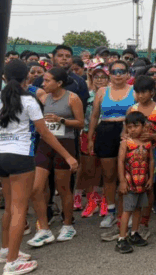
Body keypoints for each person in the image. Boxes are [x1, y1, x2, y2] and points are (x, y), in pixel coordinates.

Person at [0, 60, 78, 275]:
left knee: (11, 206)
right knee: (19, 209)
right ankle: (12, 262)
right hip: (20, 156)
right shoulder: (29, 101)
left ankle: (5, 251)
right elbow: (46, 134)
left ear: (4, 77)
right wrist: (68, 156)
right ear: (27, 78)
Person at [27, 68, 85, 247]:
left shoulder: (72, 98)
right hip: (45, 146)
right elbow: (31, 86)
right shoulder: (45, 97)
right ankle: (43, 229)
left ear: (59, 83)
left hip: (65, 145)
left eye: (47, 81)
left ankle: (68, 224)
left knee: (63, 188)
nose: (43, 84)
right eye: (43, 80)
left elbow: (81, 123)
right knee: (36, 188)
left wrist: (61, 120)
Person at [88, 60, 135, 240]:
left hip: (127, 133)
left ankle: (128, 212)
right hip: (105, 133)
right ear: (110, 74)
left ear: (128, 74)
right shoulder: (101, 92)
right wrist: (91, 137)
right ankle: (111, 211)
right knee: (109, 176)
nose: (118, 75)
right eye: (114, 71)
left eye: (122, 71)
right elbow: (94, 116)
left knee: (128, 175)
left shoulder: (134, 91)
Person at [127, 75, 156, 239]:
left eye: (144, 92)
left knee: (148, 187)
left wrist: (154, 138)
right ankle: (129, 220)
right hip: (132, 155)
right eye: (137, 92)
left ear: (152, 92)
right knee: (131, 185)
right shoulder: (132, 109)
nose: (140, 96)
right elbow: (124, 132)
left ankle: (144, 222)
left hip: (151, 153)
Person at [115, 111, 155, 254]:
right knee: (128, 209)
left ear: (144, 127)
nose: (132, 130)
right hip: (130, 181)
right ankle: (121, 238)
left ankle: (134, 233)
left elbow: (151, 160)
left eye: (136, 126)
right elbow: (120, 161)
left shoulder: (147, 143)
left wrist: (150, 178)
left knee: (138, 208)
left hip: (142, 181)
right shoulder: (126, 143)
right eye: (129, 127)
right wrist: (122, 181)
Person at [80, 60, 108, 218]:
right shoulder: (86, 95)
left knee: (105, 170)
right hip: (87, 133)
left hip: (105, 133)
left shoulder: (112, 94)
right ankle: (92, 201)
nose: (99, 79)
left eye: (103, 77)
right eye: (96, 77)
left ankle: (105, 200)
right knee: (89, 169)